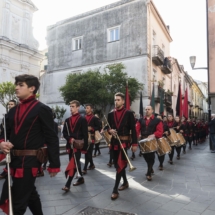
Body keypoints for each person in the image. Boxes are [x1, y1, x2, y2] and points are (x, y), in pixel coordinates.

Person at [0, 74, 60, 215]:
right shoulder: (13, 111)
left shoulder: (42, 109)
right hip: (14, 160)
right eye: (17, 85)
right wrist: (2, 143)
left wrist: (54, 164)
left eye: (21, 85)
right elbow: (4, 134)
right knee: (30, 195)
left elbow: (52, 137)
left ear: (32, 88)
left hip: (30, 161)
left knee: (18, 204)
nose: (16, 88)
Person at [107, 92, 137, 200]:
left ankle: (115, 190)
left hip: (124, 142)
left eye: (118, 100)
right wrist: (109, 130)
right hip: (114, 143)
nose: (116, 102)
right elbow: (107, 127)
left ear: (123, 101)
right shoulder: (110, 114)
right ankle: (125, 182)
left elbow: (133, 129)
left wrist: (134, 143)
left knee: (120, 165)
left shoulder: (128, 113)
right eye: (115, 100)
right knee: (118, 165)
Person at [62, 100, 88, 191]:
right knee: (74, 162)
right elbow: (64, 133)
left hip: (78, 145)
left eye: (73, 106)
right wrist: (69, 139)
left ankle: (68, 184)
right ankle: (80, 178)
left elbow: (85, 134)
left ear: (78, 107)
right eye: (70, 106)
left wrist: (85, 147)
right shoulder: (67, 120)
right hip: (70, 145)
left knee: (73, 162)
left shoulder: (82, 119)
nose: (71, 108)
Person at [136, 106, 163, 181]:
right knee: (145, 155)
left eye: (149, 109)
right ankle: (150, 167)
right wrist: (136, 136)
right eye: (146, 109)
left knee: (151, 156)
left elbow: (160, 131)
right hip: (143, 140)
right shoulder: (140, 120)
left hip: (152, 141)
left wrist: (154, 135)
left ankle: (149, 173)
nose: (147, 111)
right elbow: (137, 129)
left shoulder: (157, 120)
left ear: (152, 110)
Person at [0, 100, 17, 179]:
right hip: (7, 138)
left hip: (15, 139)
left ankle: (7, 171)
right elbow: (4, 128)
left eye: (12, 104)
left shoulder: (17, 115)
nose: (10, 105)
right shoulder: (6, 116)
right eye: (9, 104)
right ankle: (7, 171)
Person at [82, 104, 100, 174]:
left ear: (91, 109)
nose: (86, 109)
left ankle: (85, 168)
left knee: (88, 152)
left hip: (91, 137)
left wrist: (92, 128)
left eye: (87, 108)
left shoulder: (94, 118)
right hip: (84, 137)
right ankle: (92, 164)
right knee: (88, 152)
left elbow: (98, 127)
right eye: (85, 108)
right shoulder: (83, 117)